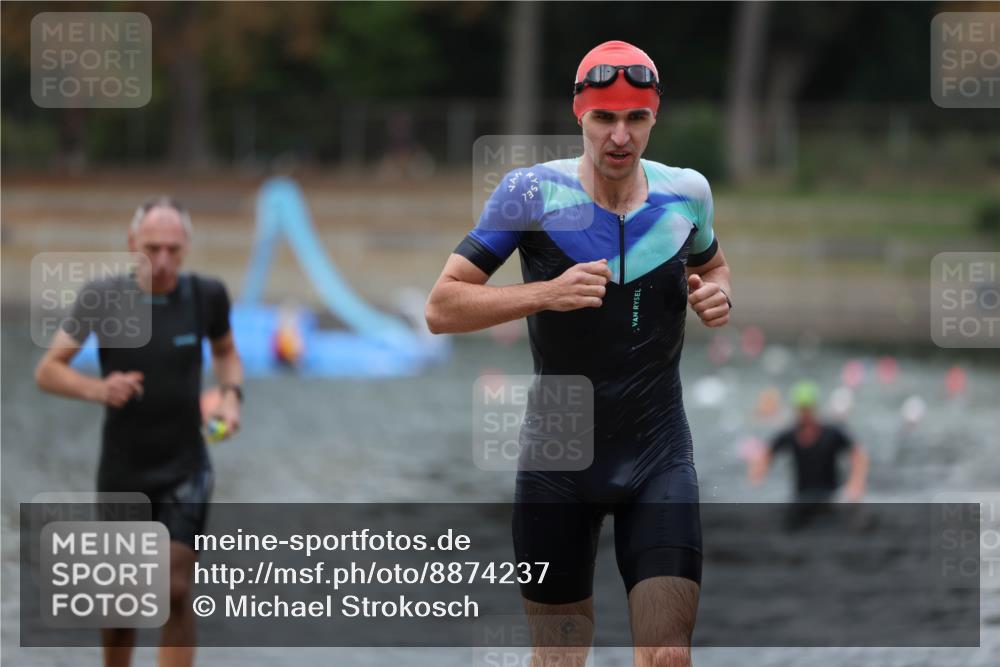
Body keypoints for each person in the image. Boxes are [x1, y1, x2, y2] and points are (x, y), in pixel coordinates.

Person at [426, 40, 732, 667]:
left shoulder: (687, 194)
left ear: (654, 118)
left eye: (636, 119)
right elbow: (441, 307)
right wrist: (547, 293)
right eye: (604, 119)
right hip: (557, 458)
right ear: (578, 115)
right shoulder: (529, 194)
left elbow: (715, 266)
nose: (619, 136)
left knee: (668, 657)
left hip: (658, 451)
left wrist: (717, 297)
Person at [34, 197, 243, 667]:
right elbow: (48, 371)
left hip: (186, 465)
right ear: (132, 243)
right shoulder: (103, 298)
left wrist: (231, 396)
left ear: (187, 246)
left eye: (173, 248)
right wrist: (98, 388)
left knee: (174, 589)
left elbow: (228, 353)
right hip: (125, 468)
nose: (164, 260)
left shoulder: (206, 295)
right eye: (153, 248)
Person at [749, 380, 869, 528]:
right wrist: (758, 472)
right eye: (801, 409)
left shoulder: (831, 433)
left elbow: (858, 454)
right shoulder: (790, 435)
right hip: (802, 497)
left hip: (830, 496)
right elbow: (766, 454)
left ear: (814, 408)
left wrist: (856, 482)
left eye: (807, 409)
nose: (804, 414)